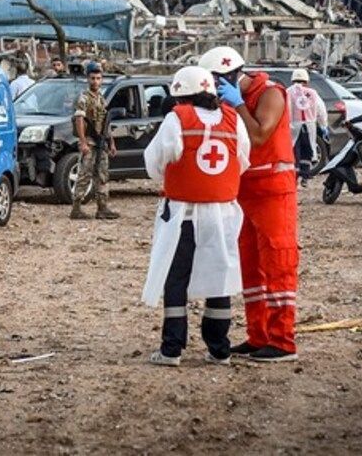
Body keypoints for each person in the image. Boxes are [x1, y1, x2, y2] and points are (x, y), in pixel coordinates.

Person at [142, 66, 249, 366]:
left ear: (182, 96)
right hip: (224, 214)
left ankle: (172, 349)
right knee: (220, 278)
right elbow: (242, 160)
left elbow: (154, 162)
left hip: (183, 214)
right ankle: (219, 349)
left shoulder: (177, 119)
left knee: (176, 279)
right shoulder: (233, 120)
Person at [200, 45, 299, 363]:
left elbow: (259, 135)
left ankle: (282, 340)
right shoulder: (227, 102)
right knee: (251, 268)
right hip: (244, 191)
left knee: (278, 262)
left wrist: (239, 105)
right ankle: (259, 336)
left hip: (273, 190)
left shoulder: (271, 93)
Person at [72, 62, 119, 220]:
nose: (95, 82)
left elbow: (106, 122)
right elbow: (79, 119)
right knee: (85, 174)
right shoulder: (84, 98)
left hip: (101, 143)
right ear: (88, 79)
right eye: (93, 78)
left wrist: (111, 142)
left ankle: (102, 207)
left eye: (98, 78)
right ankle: (76, 208)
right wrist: (83, 141)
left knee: (102, 175)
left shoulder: (101, 98)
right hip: (91, 142)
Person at [286, 69, 327, 184]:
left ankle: (294, 176)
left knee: (294, 150)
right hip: (309, 126)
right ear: (307, 80)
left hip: (293, 126)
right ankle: (305, 175)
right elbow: (321, 110)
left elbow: (286, 109)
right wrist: (324, 125)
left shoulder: (288, 92)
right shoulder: (313, 93)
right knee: (308, 150)